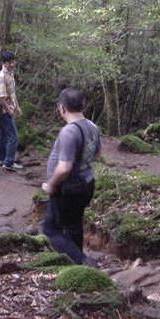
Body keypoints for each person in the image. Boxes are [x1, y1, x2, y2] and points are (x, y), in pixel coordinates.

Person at [42, 87, 101, 265]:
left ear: (62, 108)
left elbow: (64, 168)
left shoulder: (69, 131)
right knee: (74, 225)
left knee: (51, 230)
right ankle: (77, 264)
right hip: (86, 183)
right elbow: (97, 154)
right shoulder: (92, 127)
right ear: (83, 105)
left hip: (68, 188)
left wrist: (51, 185)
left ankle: (82, 261)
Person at [0, 50, 23, 171]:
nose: (12, 64)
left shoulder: (10, 74)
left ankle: (0, 159)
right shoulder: (2, 76)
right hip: (4, 110)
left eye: (13, 61)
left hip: (9, 108)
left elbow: (12, 93)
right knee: (13, 136)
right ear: (4, 63)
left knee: (3, 134)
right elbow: (1, 98)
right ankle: (9, 162)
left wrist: (17, 107)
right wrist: (9, 110)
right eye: (9, 62)